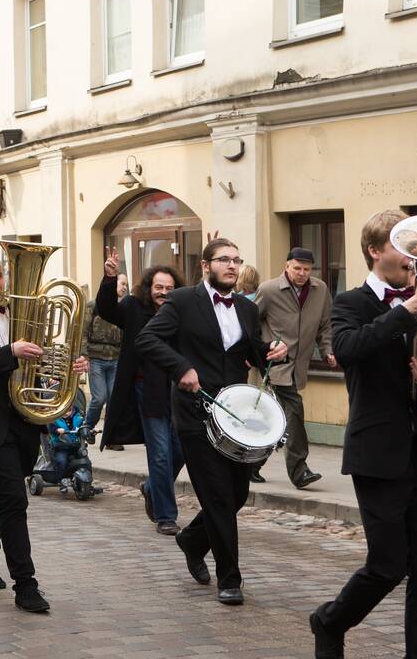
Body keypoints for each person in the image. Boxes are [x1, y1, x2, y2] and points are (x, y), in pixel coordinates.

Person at [309, 210, 417, 659]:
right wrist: (405, 311)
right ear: (376, 250)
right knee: (387, 565)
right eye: (405, 245)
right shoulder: (351, 302)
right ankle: (329, 621)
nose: (416, 256)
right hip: (377, 451)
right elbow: (350, 350)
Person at [136, 239, 287, 606]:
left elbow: (250, 353)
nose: (232, 266)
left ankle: (191, 540)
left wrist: (272, 352)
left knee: (236, 494)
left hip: (235, 415)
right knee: (218, 496)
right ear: (206, 265)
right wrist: (181, 368)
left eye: (237, 260)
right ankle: (230, 579)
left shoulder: (246, 309)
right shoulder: (184, 301)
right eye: (224, 260)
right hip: (195, 412)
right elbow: (147, 339)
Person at [0, 252, 89, 613]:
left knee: (5, 493)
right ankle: (26, 584)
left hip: (25, 419)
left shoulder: (27, 314)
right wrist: (10, 352)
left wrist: (69, 365)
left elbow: (42, 361)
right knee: (15, 498)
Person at [96, 260, 186, 534]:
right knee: (160, 454)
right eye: (159, 287)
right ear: (149, 287)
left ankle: (151, 488)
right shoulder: (134, 307)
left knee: (182, 451)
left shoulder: (181, 310)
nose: (164, 292)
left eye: (169, 288)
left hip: (178, 390)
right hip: (146, 389)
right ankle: (166, 516)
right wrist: (110, 279)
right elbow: (107, 309)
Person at [251, 247, 335, 488]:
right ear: (287, 266)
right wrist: (258, 353)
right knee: (294, 411)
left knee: (275, 418)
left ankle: (251, 464)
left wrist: (328, 350)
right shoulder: (268, 290)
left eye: (307, 269)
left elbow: (325, 326)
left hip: (300, 366)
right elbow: (250, 323)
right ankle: (300, 471)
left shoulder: (320, 290)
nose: (302, 273)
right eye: (297, 268)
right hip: (275, 366)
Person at [80, 273, 126, 431]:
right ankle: (87, 426)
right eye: (122, 284)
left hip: (115, 358)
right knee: (100, 398)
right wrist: (84, 356)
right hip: (96, 358)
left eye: (126, 285)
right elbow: (83, 332)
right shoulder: (93, 306)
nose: (124, 287)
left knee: (114, 399)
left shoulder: (124, 307)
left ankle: (110, 434)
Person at [48, 402, 87, 480]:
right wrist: (56, 430)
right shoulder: (54, 419)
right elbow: (50, 428)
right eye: (63, 411)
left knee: (85, 461)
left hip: (76, 446)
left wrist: (90, 429)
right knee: (61, 461)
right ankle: (60, 480)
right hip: (61, 447)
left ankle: (88, 481)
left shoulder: (78, 417)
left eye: (68, 410)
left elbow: (84, 425)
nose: (66, 413)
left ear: (72, 409)